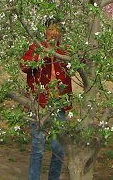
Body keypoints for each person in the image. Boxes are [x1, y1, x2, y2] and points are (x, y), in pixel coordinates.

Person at [20, 18, 73, 180]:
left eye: (57, 30)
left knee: (58, 148)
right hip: (39, 103)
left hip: (59, 104)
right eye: (51, 29)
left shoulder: (65, 51)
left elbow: (77, 65)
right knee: (38, 147)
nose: (54, 33)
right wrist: (41, 56)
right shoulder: (36, 48)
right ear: (45, 31)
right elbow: (24, 65)